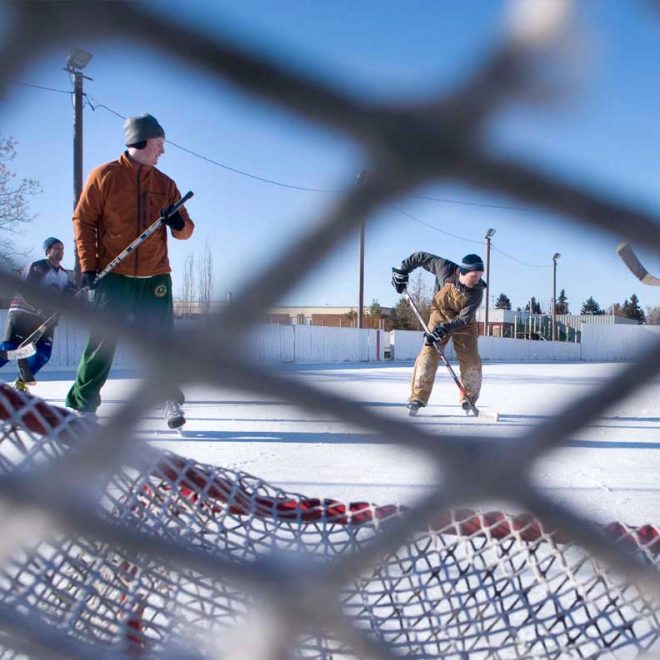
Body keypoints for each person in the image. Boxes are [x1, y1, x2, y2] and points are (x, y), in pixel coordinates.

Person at [64, 113, 194, 428]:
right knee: (102, 342)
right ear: (140, 140)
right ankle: (82, 404)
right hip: (115, 277)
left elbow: (187, 230)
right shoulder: (104, 176)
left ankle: (167, 399)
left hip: (155, 276)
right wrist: (89, 266)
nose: (163, 151)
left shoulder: (166, 184)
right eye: (159, 144)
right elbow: (84, 221)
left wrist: (178, 223)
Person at [391, 252, 486, 416]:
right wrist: (402, 270)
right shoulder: (445, 268)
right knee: (428, 353)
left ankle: (468, 399)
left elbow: (463, 318)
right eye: (474, 276)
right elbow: (421, 257)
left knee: (471, 358)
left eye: (480, 276)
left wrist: (443, 330)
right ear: (463, 272)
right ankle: (417, 397)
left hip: (464, 322)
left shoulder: (477, 291)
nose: (477, 280)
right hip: (440, 314)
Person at [0, 237, 76, 393]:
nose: (60, 251)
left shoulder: (64, 274)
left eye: (62, 248)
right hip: (23, 313)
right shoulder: (37, 267)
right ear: (48, 251)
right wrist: (41, 309)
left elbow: (66, 294)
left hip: (45, 319)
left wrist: (72, 292)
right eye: (56, 248)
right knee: (9, 349)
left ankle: (21, 383)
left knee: (44, 354)